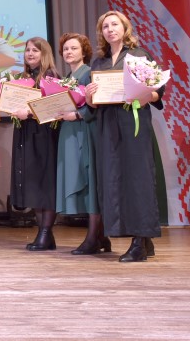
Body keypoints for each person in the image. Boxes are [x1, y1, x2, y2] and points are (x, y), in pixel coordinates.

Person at [85, 11, 164, 262]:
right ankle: (144, 239)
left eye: (114, 24)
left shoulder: (139, 55)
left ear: (125, 27)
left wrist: (146, 95)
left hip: (133, 123)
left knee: (138, 179)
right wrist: (89, 97)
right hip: (107, 126)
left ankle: (139, 242)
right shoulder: (99, 62)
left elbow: (158, 91)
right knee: (114, 179)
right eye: (105, 26)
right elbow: (92, 104)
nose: (110, 29)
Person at [54, 33, 110, 255]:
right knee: (82, 178)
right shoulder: (68, 76)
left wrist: (77, 115)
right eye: (66, 49)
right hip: (70, 131)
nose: (69, 52)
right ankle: (101, 236)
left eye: (74, 48)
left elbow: (97, 104)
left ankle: (93, 238)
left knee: (89, 180)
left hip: (85, 130)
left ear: (84, 51)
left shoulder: (89, 73)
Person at [10, 37, 60, 251]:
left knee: (44, 184)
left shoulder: (51, 76)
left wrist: (28, 113)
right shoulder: (24, 77)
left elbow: (55, 108)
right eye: (27, 50)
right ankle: (45, 234)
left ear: (44, 54)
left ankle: (45, 233)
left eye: (35, 50)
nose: (30, 54)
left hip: (43, 135)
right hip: (26, 133)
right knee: (32, 184)